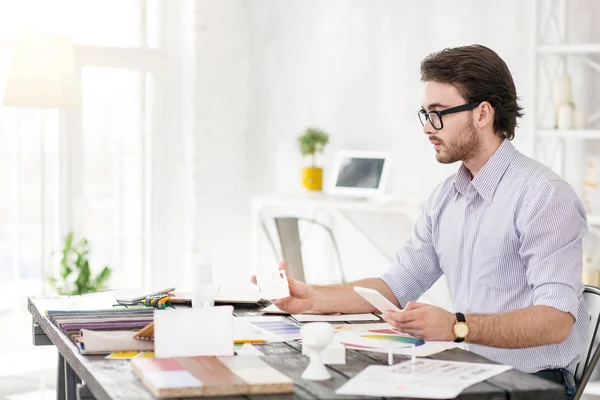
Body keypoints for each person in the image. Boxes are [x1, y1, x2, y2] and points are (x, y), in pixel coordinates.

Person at [252, 45, 587, 399]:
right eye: (425, 114)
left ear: (483, 114)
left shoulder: (544, 196)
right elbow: (397, 284)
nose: (428, 128)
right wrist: (312, 297)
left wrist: (457, 327)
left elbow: (556, 320)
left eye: (439, 114)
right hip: (465, 373)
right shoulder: (446, 198)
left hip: (530, 385)